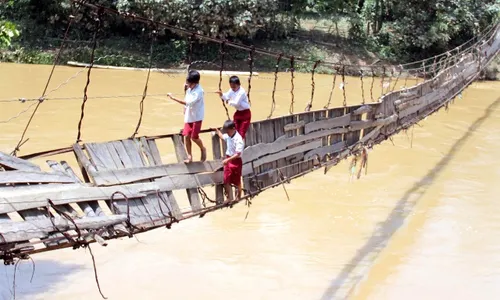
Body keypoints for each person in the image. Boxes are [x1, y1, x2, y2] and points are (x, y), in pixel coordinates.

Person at [167, 70, 207, 163]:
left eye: (189, 83)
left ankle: (203, 148)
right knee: (186, 136)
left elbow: (188, 102)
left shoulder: (198, 92)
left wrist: (173, 98)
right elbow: (187, 100)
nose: (187, 84)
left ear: (195, 83)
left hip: (197, 117)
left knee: (194, 137)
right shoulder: (190, 89)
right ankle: (190, 156)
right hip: (189, 116)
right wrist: (185, 90)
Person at [214, 120, 244, 202]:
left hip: (236, 161)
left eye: (228, 130)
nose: (227, 132)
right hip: (228, 160)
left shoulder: (238, 139)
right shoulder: (228, 136)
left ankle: (238, 197)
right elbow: (222, 137)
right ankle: (228, 198)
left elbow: (238, 154)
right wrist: (217, 131)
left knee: (237, 180)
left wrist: (228, 160)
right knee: (226, 179)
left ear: (233, 129)